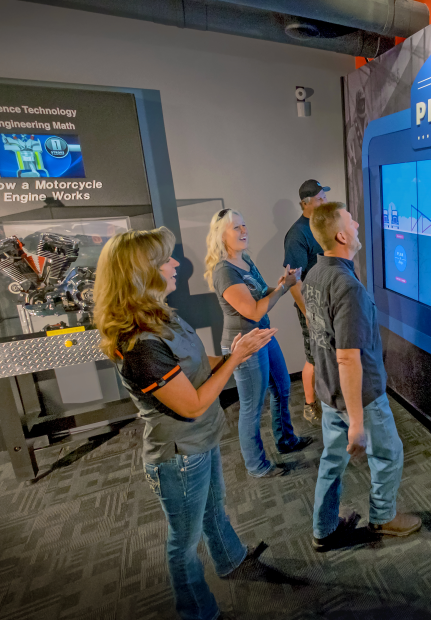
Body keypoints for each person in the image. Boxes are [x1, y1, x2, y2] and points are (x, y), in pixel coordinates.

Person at [94, 227, 275, 620]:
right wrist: (234, 358)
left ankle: (230, 560)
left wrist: (236, 355)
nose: (176, 263)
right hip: (178, 456)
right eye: (165, 260)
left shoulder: (161, 315)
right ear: (141, 273)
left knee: (214, 509)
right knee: (184, 541)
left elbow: (194, 365)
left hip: (200, 442)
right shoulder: (140, 345)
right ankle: (197, 611)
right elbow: (191, 405)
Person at [303, 202, 422, 551]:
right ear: (341, 234)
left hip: (329, 392)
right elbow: (348, 357)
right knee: (388, 454)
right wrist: (356, 420)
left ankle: (323, 529)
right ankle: (383, 518)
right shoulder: (346, 285)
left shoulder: (314, 275)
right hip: (361, 396)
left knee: (332, 460)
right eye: (351, 220)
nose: (357, 223)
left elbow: (319, 335)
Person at [205, 208, 312, 478]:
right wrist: (283, 289)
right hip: (245, 345)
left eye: (244, 225)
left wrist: (282, 284)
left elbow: (262, 294)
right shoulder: (224, 271)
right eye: (236, 228)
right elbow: (253, 311)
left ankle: (285, 440)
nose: (244, 231)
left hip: (262, 336)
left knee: (283, 387)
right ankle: (256, 465)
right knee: (252, 407)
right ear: (221, 236)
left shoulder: (245, 261)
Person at [283, 179, 328, 425]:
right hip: (311, 304)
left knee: (327, 353)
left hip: (327, 302)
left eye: (324, 198)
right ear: (305, 203)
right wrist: (308, 312)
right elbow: (294, 282)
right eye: (320, 199)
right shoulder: (297, 234)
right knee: (313, 355)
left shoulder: (321, 225)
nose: (325, 202)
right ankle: (310, 405)